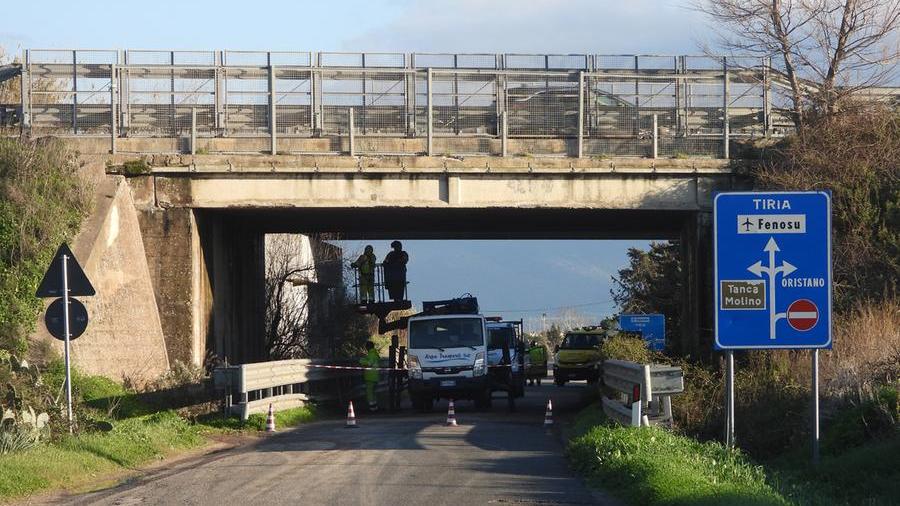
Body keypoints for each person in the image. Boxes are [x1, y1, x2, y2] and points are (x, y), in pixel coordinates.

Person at [360, 341, 380, 412]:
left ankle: (372, 408)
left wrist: (361, 361)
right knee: (373, 392)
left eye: (366, 347)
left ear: (368, 347)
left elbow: (369, 363)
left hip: (370, 376)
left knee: (370, 393)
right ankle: (375, 407)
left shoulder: (371, 354)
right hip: (375, 376)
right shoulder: (375, 354)